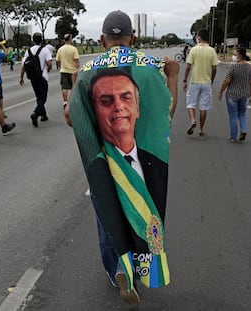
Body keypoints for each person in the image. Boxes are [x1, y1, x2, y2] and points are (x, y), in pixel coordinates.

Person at [68, 10, 178, 304]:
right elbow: (167, 114)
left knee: (107, 215)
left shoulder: (90, 71)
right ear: (133, 38)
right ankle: (136, 267)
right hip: (141, 164)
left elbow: (70, 117)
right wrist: (174, 78)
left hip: (103, 165)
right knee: (141, 215)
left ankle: (117, 268)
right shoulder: (148, 69)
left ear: (102, 40)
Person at [183, 29, 218, 136]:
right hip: (206, 82)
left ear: (199, 37)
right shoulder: (212, 51)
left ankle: (193, 120)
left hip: (194, 81)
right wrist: (211, 80)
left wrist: (184, 80)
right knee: (204, 107)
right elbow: (214, 68)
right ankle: (201, 129)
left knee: (190, 103)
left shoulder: (193, 50)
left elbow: (188, 66)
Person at [218, 46, 251, 142]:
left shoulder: (234, 67)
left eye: (235, 54)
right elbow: (250, 83)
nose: (233, 56)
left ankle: (233, 137)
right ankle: (244, 130)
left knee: (233, 115)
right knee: (242, 113)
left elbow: (226, 81)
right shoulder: (249, 68)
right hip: (244, 95)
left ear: (240, 56)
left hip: (232, 95)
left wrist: (221, 91)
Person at [20, 32, 52, 127]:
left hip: (33, 77)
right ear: (41, 40)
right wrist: (47, 70)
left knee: (39, 96)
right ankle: (35, 113)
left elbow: (24, 65)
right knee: (43, 98)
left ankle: (43, 115)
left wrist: (21, 77)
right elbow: (49, 64)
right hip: (42, 77)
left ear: (33, 40)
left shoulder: (28, 51)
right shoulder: (45, 50)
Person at [55, 34, 80, 109]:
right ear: (70, 39)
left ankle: (65, 102)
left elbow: (57, 60)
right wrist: (78, 68)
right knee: (73, 87)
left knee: (64, 87)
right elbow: (76, 60)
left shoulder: (60, 49)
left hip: (64, 70)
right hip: (73, 71)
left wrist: (61, 66)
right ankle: (72, 101)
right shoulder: (73, 49)